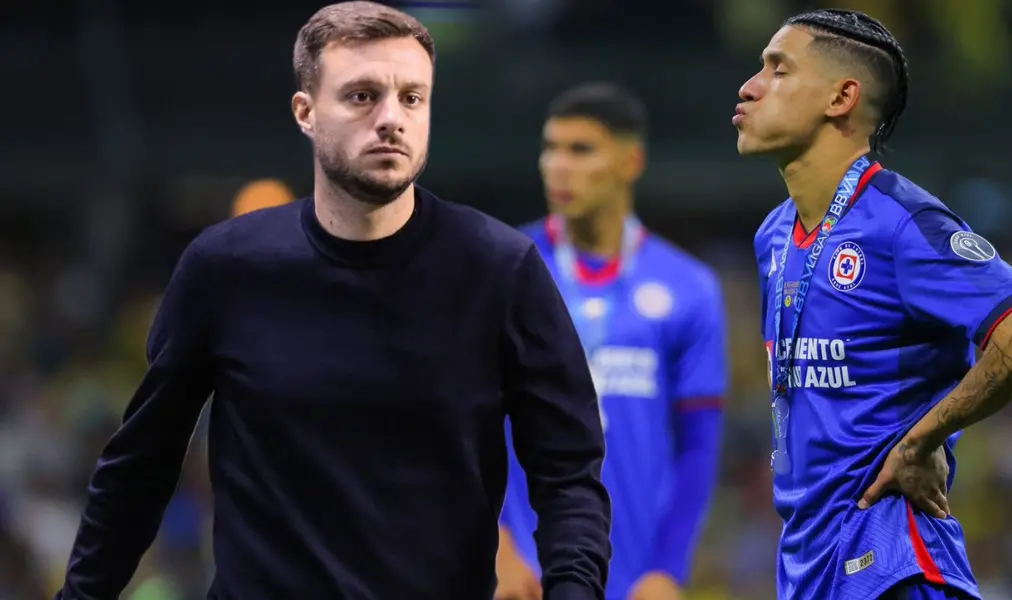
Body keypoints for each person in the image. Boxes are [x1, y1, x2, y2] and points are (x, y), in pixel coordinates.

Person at [54, 3, 610, 599]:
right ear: (306, 112)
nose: (391, 119)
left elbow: (569, 475)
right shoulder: (226, 268)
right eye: (363, 96)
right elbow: (141, 465)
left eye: (412, 98)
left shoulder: (502, 270)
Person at [733, 9, 1012, 600]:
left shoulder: (900, 221)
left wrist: (920, 440)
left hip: (893, 560)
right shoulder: (773, 235)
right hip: (808, 563)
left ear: (841, 97)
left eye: (778, 69)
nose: (749, 85)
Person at [495, 83, 726, 600]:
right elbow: (462, 423)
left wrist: (669, 569)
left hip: (636, 577)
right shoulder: (502, 267)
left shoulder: (689, 288)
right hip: (524, 576)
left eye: (580, 150)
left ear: (630, 161)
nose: (557, 165)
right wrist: (497, 544)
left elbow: (699, 447)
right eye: (550, 148)